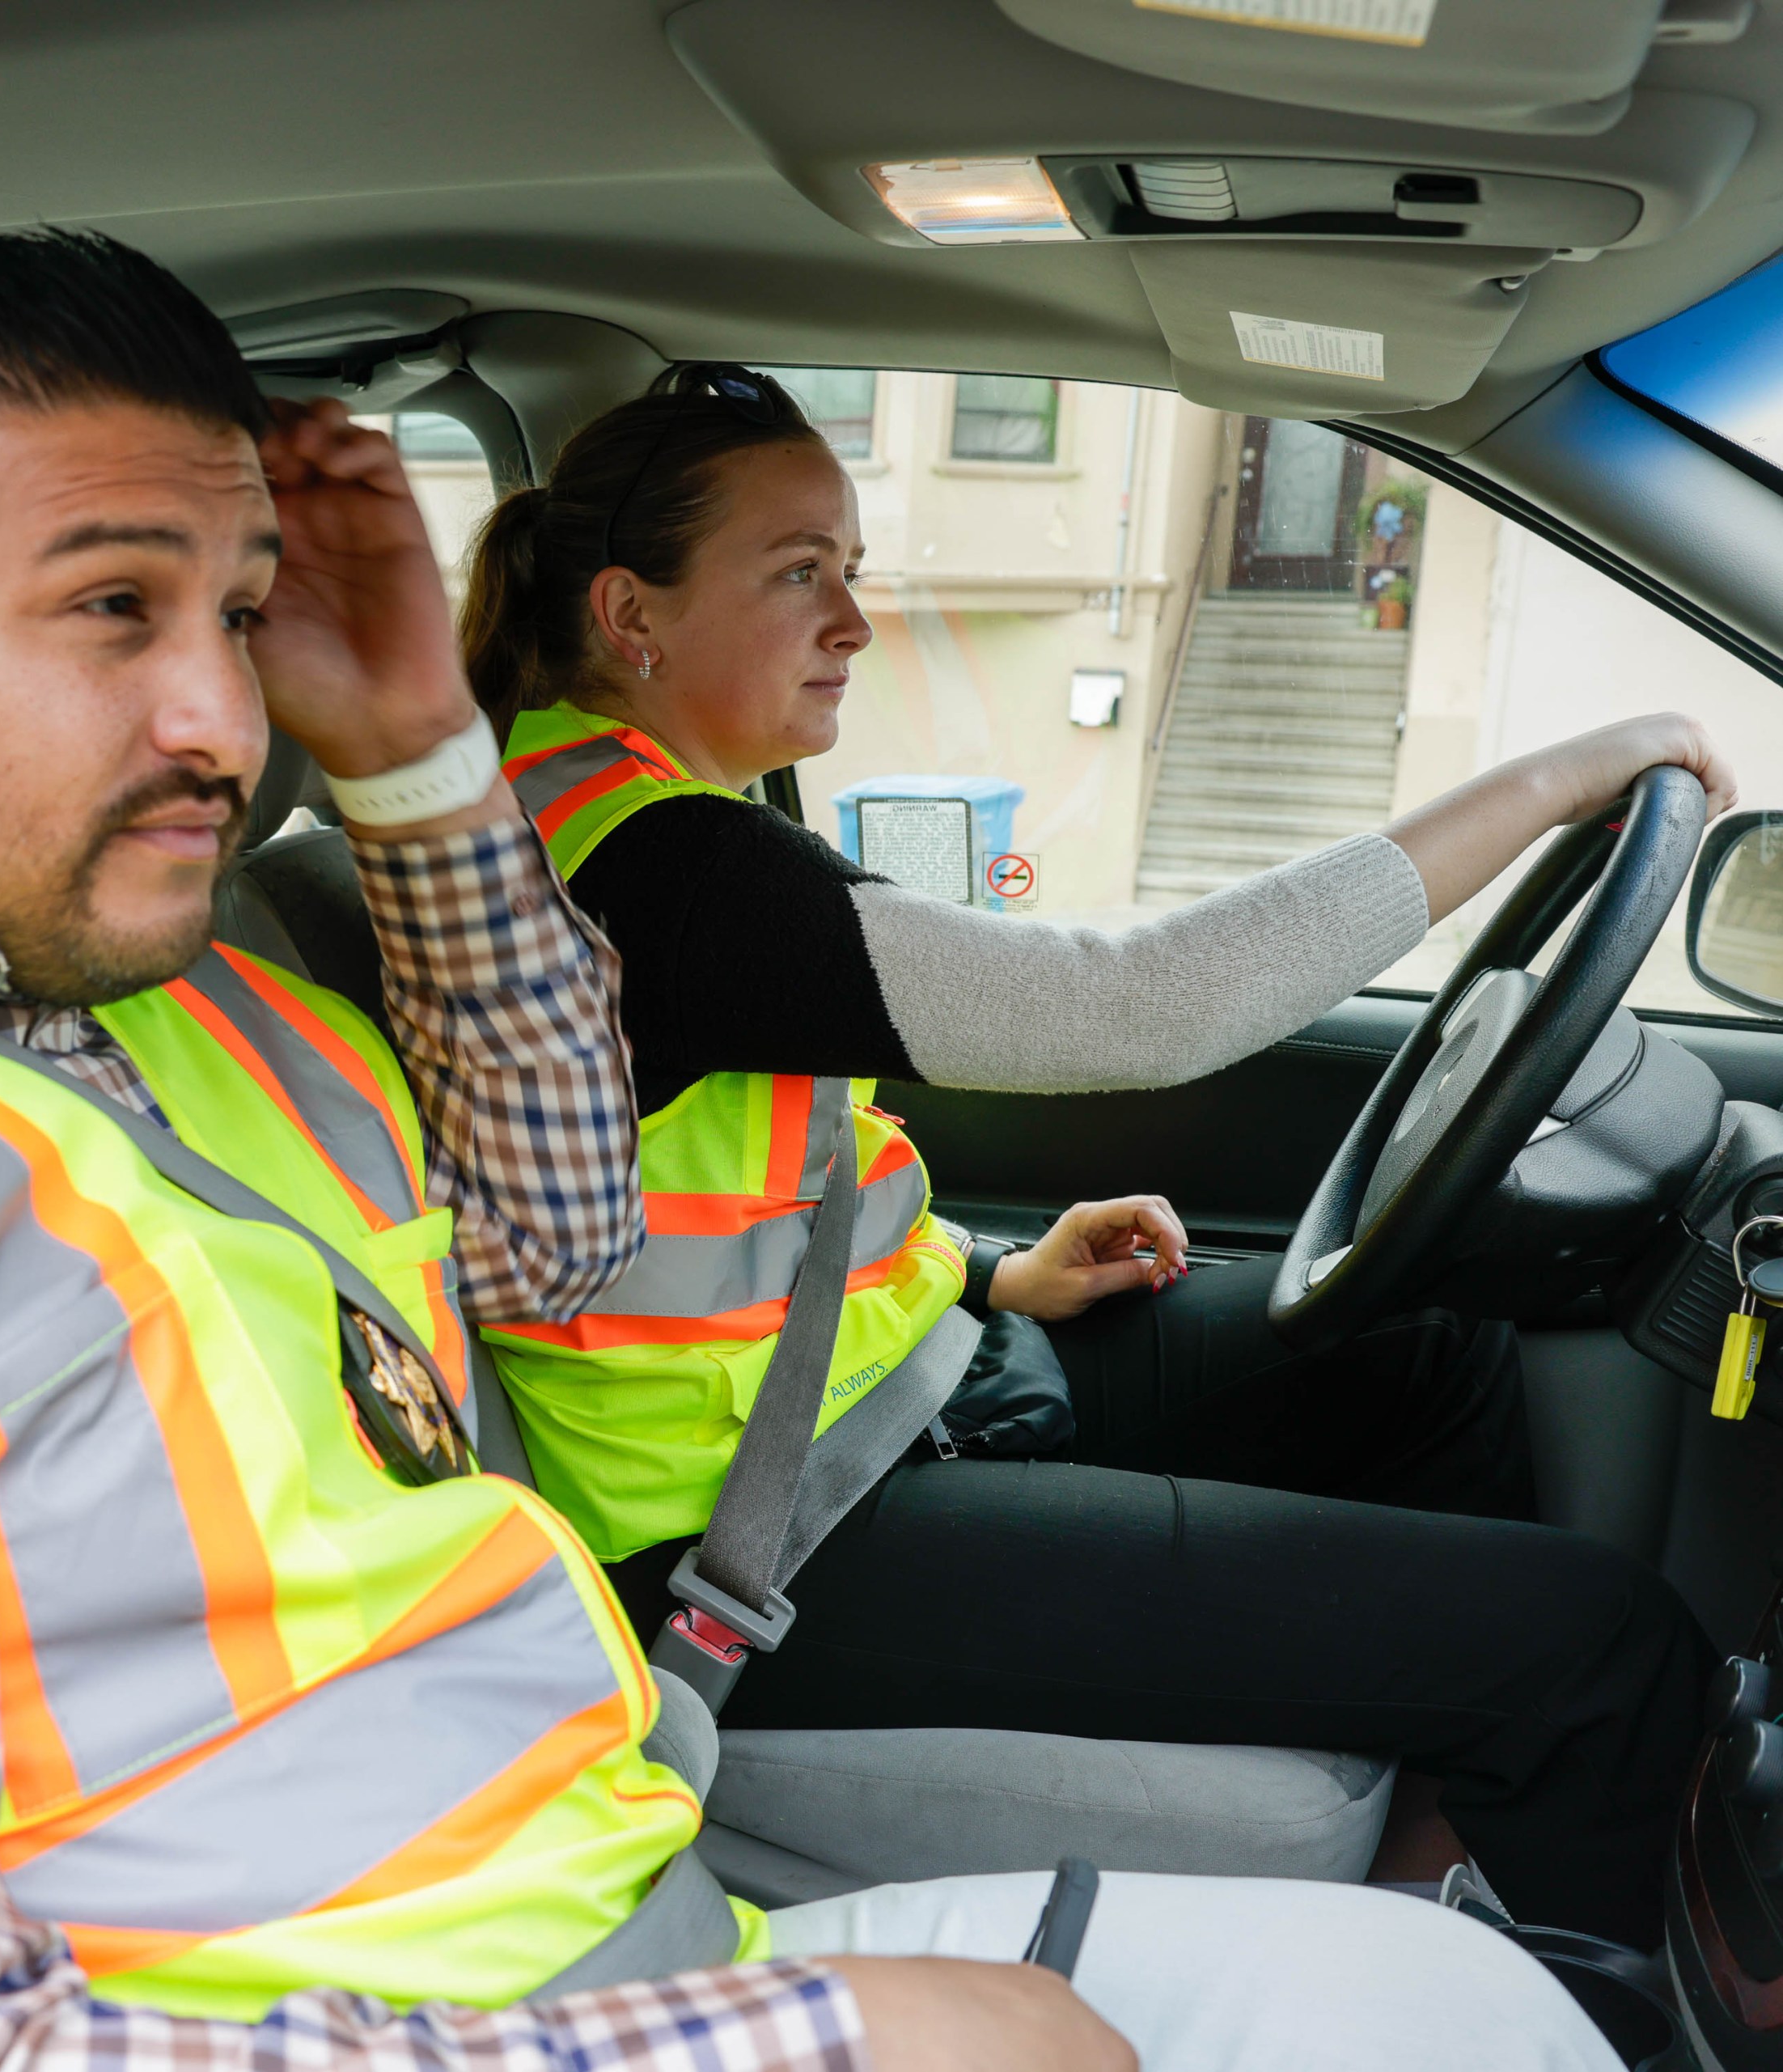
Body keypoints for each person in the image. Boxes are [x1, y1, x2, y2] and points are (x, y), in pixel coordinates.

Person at [0, 233, 1623, 2072]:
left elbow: (559, 1233)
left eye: (245, 614)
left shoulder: (164, 1002)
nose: (215, 713)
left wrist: (404, 751)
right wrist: (780, 2044)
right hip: (521, 2006)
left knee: (1482, 2025)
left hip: (621, 1923)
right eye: (113, 612)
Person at [463, 360, 1721, 1946]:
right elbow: (1145, 1002)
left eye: (850, 568)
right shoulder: (656, 870)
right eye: (800, 576)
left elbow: (724, 1196)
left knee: (1435, 1356)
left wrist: (991, 1268)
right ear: (631, 616)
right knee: (1602, 1647)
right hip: (768, 1538)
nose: (853, 620)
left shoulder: (629, 812)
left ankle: (1436, 1853)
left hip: (886, 1394)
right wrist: (1553, 783)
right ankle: (1533, 1975)